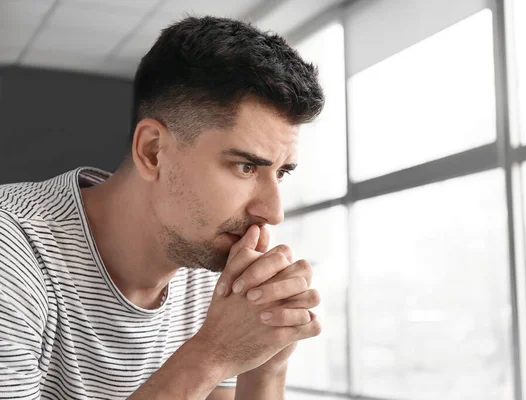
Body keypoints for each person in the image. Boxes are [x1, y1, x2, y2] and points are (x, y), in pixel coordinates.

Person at [0, 15, 324, 399]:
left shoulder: (209, 265)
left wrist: (267, 366)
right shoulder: (13, 248)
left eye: (282, 172)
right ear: (153, 151)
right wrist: (212, 353)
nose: (273, 212)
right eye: (245, 166)